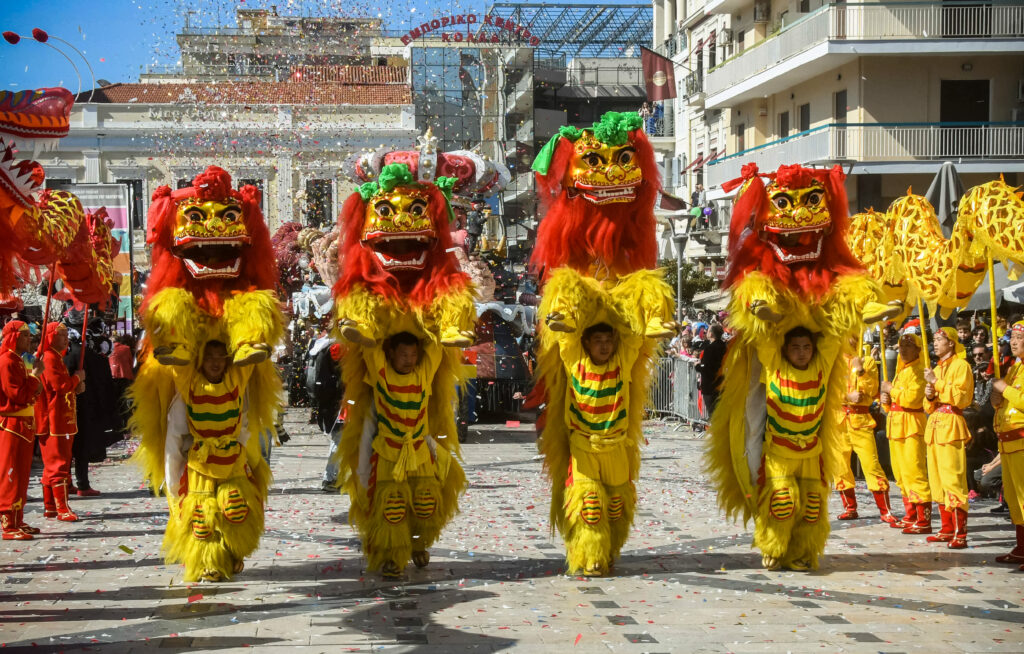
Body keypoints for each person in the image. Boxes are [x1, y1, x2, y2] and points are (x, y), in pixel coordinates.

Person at [349, 332, 459, 577]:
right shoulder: (381, 375)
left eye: (412, 355)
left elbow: (437, 345)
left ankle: (419, 545)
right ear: (391, 354)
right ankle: (392, 557)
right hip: (389, 453)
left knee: (425, 504)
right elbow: (370, 346)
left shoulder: (423, 374)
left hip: (420, 452)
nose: (409, 360)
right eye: (403, 355)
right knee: (393, 507)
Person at [164, 340, 266, 582]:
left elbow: (245, 421)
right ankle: (208, 563)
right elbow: (176, 432)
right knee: (203, 517)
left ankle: (232, 553)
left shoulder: (237, 383)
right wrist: (171, 475)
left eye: (221, 356)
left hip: (234, 459)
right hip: (201, 462)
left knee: (235, 508)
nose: (215, 362)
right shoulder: (189, 387)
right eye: (209, 356)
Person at [554, 320, 643, 576]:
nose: (604, 346)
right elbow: (565, 334)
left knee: (616, 506)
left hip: (616, 446)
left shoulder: (621, 363)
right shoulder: (575, 362)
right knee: (590, 506)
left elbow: (635, 333)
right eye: (598, 341)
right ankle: (591, 555)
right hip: (583, 446)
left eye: (608, 341)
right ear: (586, 343)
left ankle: (609, 549)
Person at [754, 326, 841, 571]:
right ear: (785, 349)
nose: (802, 353)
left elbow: (835, 331)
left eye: (806, 347)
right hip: (779, 451)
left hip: (812, 451)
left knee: (813, 506)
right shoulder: (774, 366)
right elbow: (764, 337)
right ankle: (773, 548)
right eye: (795, 347)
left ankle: (801, 553)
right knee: (781, 502)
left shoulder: (821, 365)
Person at [833, 337, 895, 524]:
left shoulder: (867, 360)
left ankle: (885, 511)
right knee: (840, 467)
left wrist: (860, 371)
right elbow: (827, 390)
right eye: (846, 333)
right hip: (838, 422)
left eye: (854, 333)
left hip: (860, 420)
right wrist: (846, 396)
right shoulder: (833, 362)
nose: (850, 338)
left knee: (871, 465)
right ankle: (850, 508)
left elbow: (871, 389)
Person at [922, 327, 974, 549]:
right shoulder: (936, 368)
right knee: (937, 481)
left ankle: (960, 532)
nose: (935, 344)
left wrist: (937, 383)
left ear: (951, 343)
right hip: (934, 425)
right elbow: (927, 405)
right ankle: (945, 528)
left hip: (951, 424)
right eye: (934, 340)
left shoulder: (961, 366)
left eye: (939, 340)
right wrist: (930, 395)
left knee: (952, 478)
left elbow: (962, 398)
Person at [880, 330, 932, 533]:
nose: (903, 350)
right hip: (896, 426)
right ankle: (910, 514)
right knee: (901, 475)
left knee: (915, 472)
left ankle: (923, 519)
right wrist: (886, 400)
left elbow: (911, 399)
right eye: (901, 347)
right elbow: (896, 399)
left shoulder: (920, 371)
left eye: (908, 346)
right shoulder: (902, 371)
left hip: (911, 425)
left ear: (918, 350)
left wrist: (890, 390)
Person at [35, 323, 84, 522]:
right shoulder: (49, 357)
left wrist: (76, 386)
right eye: (61, 335)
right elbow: (60, 385)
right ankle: (62, 507)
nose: (66, 339)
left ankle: (50, 507)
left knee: (53, 465)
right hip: (54, 421)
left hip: (61, 419)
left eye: (66, 335)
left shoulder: (55, 357)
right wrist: (76, 379)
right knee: (58, 464)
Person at [0, 322, 42, 540]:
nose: (30, 340)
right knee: (11, 473)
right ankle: (8, 523)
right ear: (14, 337)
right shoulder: (7, 360)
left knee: (22, 475)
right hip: (12, 425)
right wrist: (35, 376)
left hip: (24, 424)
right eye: (25, 336)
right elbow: (17, 395)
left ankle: (17, 519)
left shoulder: (17, 360)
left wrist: (34, 381)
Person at [990, 320, 1024, 567]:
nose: (1013, 342)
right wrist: (996, 398)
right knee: (1013, 499)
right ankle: (1022, 547)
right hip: (1007, 442)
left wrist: (1005, 389)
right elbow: (1002, 403)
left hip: (1022, 441)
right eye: (1011, 337)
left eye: (1019, 337)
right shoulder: (1013, 368)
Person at [695, 324, 726, 416]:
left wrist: (697, 366)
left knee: (713, 414)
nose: (706, 332)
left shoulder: (710, 348)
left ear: (711, 334)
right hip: (722, 383)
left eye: (708, 331)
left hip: (710, 385)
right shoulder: (725, 346)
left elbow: (706, 367)